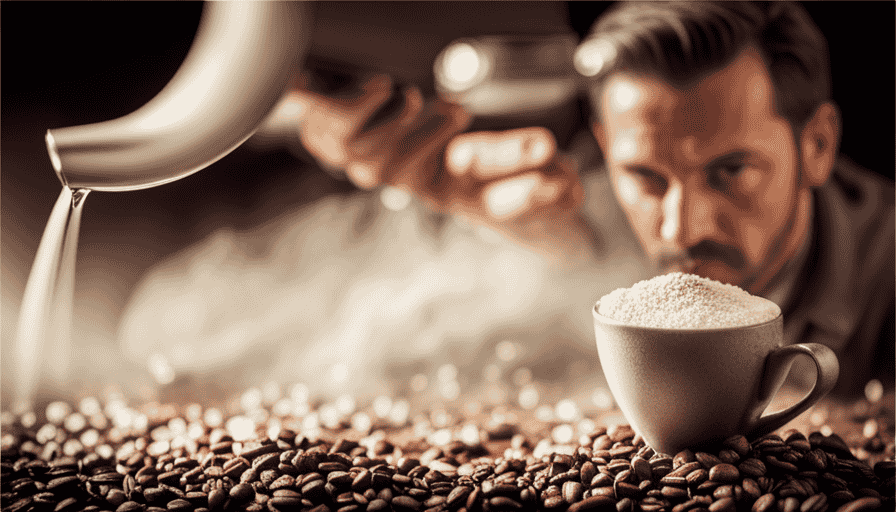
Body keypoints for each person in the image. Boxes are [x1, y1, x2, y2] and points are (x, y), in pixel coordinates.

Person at [288, 1, 894, 396]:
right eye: (647, 179)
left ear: (817, 144)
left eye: (730, 171)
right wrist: (423, 183)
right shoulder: (566, 214)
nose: (682, 228)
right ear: (605, 149)